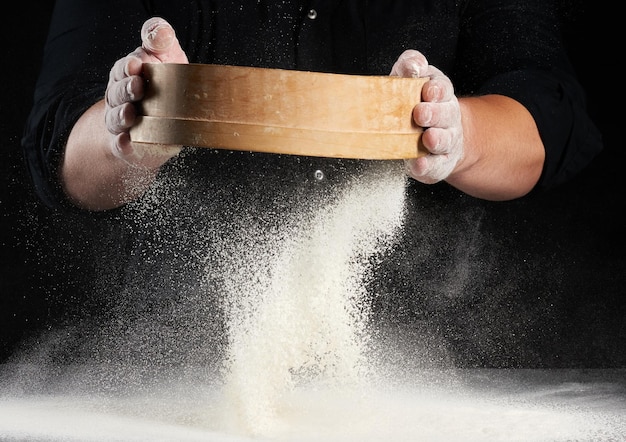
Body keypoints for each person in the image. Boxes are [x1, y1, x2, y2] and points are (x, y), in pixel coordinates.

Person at [22, 0, 602, 213]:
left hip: (429, 380)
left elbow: (548, 120)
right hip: (167, 376)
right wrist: (128, 135)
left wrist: (458, 133)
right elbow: (60, 148)